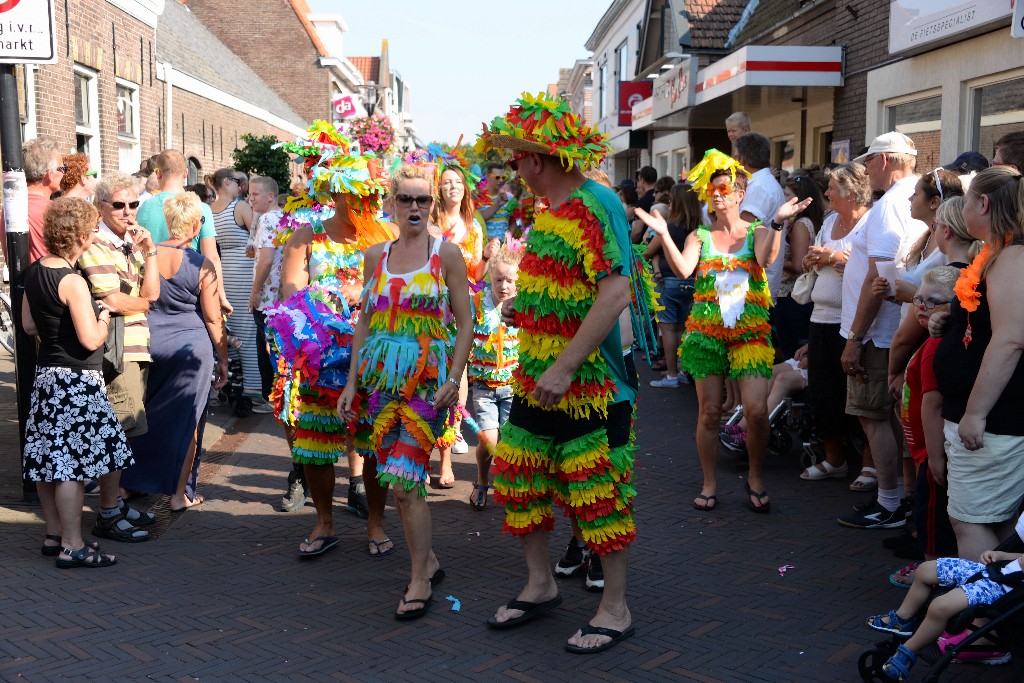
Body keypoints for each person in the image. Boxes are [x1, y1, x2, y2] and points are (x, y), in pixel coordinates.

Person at [479, 92, 643, 653]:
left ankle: (614, 609)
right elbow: (565, 291)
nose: (512, 169)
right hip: (535, 376)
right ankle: (541, 583)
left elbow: (615, 293)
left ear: (537, 160)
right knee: (520, 479)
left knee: (597, 491)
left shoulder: (599, 204)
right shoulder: (547, 213)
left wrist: (566, 366)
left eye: (517, 158)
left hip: (590, 383)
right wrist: (526, 309)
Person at [636, 149, 810, 514]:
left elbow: (766, 259)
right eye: (711, 190)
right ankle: (709, 482)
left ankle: (756, 476)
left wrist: (778, 224)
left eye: (723, 188)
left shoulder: (759, 231)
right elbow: (684, 270)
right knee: (709, 413)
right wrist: (665, 233)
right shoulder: (700, 235)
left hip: (750, 335)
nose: (715, 195)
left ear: (739, 194)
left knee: (758, 411)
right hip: (707, 335)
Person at [338, 162, 473, 619]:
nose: (415, 207)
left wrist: (454, 379)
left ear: (432, 205)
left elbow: (466, 322)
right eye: (406, 199)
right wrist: (353, 381)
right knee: (395, 482)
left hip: (425, 384)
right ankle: (428, 561)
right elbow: (364, 321)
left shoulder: (446, 255)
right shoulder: (376, 255)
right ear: (391, 203)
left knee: (407, 482)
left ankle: (418, 580)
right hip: (380, 385)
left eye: (423, 200)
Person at [271, 121, 393, 554]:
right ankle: (324, 523)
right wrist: (323, 306)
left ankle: (376, 523)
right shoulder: (306, 237)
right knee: (317, 441)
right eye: (356, 192)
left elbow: (401, 290)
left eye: (371, 193)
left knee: (373, 438)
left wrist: (363, 294)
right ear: (336, 191)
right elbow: (290, 294)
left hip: (374, 354)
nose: (366, 201)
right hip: (321, 356)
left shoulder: (389, 238)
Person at [22, 197, 133, 568]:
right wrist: (105, 317)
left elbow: (29, 326)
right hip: (77, 380)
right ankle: (73, 545)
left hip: (46, 376)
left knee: (48, 461)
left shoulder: (35, 270)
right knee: (71, 465)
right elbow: (90, 340)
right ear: (83, 235)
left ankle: (54, 536)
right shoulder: (72, 280)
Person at [837, 132, 929, 530]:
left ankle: (890, 503)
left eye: (871, 160)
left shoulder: (893, 204)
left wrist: (855, 338)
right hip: (892, 329)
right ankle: (901, 499)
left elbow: (879, 276)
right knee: (889, 416)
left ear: (888, 160)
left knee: (874, 416)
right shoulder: (906, 197)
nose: (866, 168)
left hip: (880, 334)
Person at [933, 165, 1024, 561]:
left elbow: (1010, 339)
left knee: (970, 520)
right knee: (994, 521)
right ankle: (989, 614)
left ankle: (976, 614)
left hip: (995, 421)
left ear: (982, 203)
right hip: (989, 419)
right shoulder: (996, 252)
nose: (961, 207)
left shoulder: (1013, 256)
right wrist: (949, 320)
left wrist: (975, 413)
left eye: (966, 200)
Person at [120, 192, 229, 510]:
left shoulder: (143, 256)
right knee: (189, 423)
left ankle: (129, 483)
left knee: (142, 416)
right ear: (196, 225)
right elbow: (212, 317)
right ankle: (179, 494)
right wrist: (223, 357)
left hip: (147, 342)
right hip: (189, 350)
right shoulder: (201, 263)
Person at [77, 172, 161, 543]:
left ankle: (114, 505)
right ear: (100, 206)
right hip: (119, 346)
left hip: (137, 343)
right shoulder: (96, 244)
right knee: (119, 429)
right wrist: (140, 300)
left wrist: (151, 252)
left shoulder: (130, 243)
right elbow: (114, 299)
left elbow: (152, 292)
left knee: (125, 430)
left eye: (133, 204)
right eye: (119, 205)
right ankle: (108, 513)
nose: (128, 212)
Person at [865, 511, 1024, 680]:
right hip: (997, 570)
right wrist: (1001, 555)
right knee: (925, 570)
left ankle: (909, 652)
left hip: (1005, 588)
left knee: (940, 606)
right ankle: (902, 619)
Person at [884, 267, 960, 590]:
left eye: (934, 302)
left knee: (933, 525)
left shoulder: (933, 348)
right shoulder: (928, 341)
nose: (922, 307)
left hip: (930, 456)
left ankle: (930, 587)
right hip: (923, 454)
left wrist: (933, 458)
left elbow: (932, 405)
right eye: (918, 299)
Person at [799, 163, 871, 481]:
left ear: (851, 193)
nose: (826, 193)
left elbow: (876, 265)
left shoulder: (870, 223)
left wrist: (835, 257)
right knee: (823, 391)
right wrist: (812, 259)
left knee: (857, 391)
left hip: (854, 320)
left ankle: (869, 465)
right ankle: (834, 459)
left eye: (831, 188)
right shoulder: (828, 221)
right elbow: (813, 261)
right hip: (821, 317)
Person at [136, 150, 226, 312]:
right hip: (190, 291)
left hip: (152, 288)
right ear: (185, 173)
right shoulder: (200, 208)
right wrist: (220, 295)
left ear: (158, 174)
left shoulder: (143, 208)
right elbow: (211, 256)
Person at [467, 246, 521, 510]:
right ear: (490, 279)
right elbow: (463, 337)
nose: (504, 285)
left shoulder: (523, 305)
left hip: (513, 386)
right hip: (484, 387)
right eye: (498, 279)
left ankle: (509, 486)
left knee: (510, 440)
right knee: (489, 441)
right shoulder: (477, 303)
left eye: (510, 280)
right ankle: (481, 479)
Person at [209, 168, 265, 411]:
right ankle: (253, 391)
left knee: (233, 333)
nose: (242, 187)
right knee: (250, 334)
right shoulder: (239, 207)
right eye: (239, 182)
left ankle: (232, 386)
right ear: (227, 182)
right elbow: (260, 234)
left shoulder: (210, 210)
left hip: (225, 274)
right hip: (244, 272)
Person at [646, 182, 700, 388]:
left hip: (667, 281)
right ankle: (685, 370)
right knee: (687, 329)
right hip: (693, 283)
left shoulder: (668, 228)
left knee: (669, 329)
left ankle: (671, 375)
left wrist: (657, 261)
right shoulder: (700, 229)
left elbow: (648, 252)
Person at [775, 174, 825, 359]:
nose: (785, 200)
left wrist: (773, 260)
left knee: (792, 353)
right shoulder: (808, 222)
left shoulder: (801, 225)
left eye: (788, 195)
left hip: (793, 296)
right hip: (798, 295)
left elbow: (798, 264)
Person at [734, 133, 787, 303]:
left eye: (735, 156)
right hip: (752, 282)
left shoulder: (759, 187)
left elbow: (742, 230)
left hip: (752, 286)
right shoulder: (762, 183)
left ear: (742, 159)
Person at [247, 176, 284, 402]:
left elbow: (267, 260)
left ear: (271, 196)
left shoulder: (268, 219)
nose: (250, 199)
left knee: (267, 350)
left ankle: (270, 398)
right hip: (280, 295)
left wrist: (254, 291)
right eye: (249, 194)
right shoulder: (283, 217)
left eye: (255, 194)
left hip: (267, 297)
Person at [23, 138, 65, 262]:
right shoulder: (52, 211)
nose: (64, 174)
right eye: (62, 169)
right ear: (49, 175)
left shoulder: (10, 208)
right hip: (51, 280)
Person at [476, 162, 513, 242]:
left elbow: (513, 222)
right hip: (485, 247)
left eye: (503, 177)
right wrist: (498, 205)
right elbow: (478, 220)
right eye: (497, 177)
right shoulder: (478, 197)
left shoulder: (509, 197)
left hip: (504, 249)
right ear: (488, 176)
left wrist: (508, 237)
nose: (501, 180)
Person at [629, 166, 657, 243]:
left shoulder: (642, 202)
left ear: (642, 180)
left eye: (639, 180)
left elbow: (637, 232)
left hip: (644, 246)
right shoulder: (658, 197)